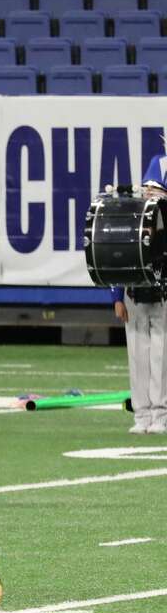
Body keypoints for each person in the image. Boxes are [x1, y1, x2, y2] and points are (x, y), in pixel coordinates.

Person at [113, 159, 167, 434]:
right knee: (137, 355)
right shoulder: (133, 216)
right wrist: (117, 297)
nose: (150, 194)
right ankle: (141, 415)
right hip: (134, 292)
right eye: (147, 189)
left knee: (161, 354)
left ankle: (161, 415)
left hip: (162, 292)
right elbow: (118, 254)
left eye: (156, 190)